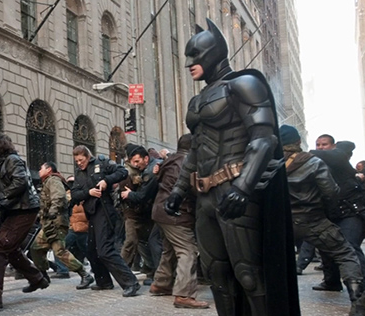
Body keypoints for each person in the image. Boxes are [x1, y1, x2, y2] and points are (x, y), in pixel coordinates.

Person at [164, 19, 300, 315]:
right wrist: (178, 190)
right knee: (217, 275)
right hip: (206, 197)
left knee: (249, 274)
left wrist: (243, 187)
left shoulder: (244, 84)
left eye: (195, 56)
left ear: (213, 54)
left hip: (236, 190)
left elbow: (264, 139)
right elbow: (196, 151)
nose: (189, 64)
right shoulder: (198, 101)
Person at [280, 125, 363, 301]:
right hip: (312, 219)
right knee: (345, 253)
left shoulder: (269, 163)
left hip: (282, 222)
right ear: (298, 142)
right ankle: (357, 300)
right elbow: (331, 192)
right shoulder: (313, 162)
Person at [0, 133, 47, 312]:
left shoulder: (12, 160)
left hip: (24, 211)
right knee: (10, 248)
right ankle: (37, 278)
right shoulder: (0, 164)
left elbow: (20, 182)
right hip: (15, 211)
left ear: (2, 146)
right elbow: (4, 193)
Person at [70, 145, 141, 297]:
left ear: (88, 157)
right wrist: (87, 192)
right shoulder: (79, 174)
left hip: (105, 210)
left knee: (105, 250)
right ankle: (103, 281)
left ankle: (130, 282)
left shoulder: (101, 163)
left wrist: (106, 181)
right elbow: (75, 194)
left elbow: (122, 172)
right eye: (76, 161)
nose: (79, 163)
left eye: (81, 160)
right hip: (91, 213)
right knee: (92, 250)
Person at [150, 134, 209, 309]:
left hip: (160, 210)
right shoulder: (187, 162)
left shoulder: (170, 160)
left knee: (169, 248)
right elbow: (190, 190)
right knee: (188, 250)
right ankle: (184, 294)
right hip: (177, 213)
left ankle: (161, 283)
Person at [29, 162, 94, 289]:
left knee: (59, 252)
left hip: (55, 222)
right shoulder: (48, 181)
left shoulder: (53, 180)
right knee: (36, 248)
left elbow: (59, 197)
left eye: (41, 168)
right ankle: (42, 276)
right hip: (50, 223)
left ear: (49, 169)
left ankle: (85, 274)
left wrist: (52, 212)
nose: (39, 170)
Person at [119, 143, 160, 286]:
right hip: (134, 212)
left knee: (147, 243)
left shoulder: (149, 170)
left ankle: (153, 271)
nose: (136, 164)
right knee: (136, 242)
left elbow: (142, 195)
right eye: (133, 161)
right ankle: (123, 271)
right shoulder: (127, 173)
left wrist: (131, 194)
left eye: (137, 161)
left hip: (144, 212)